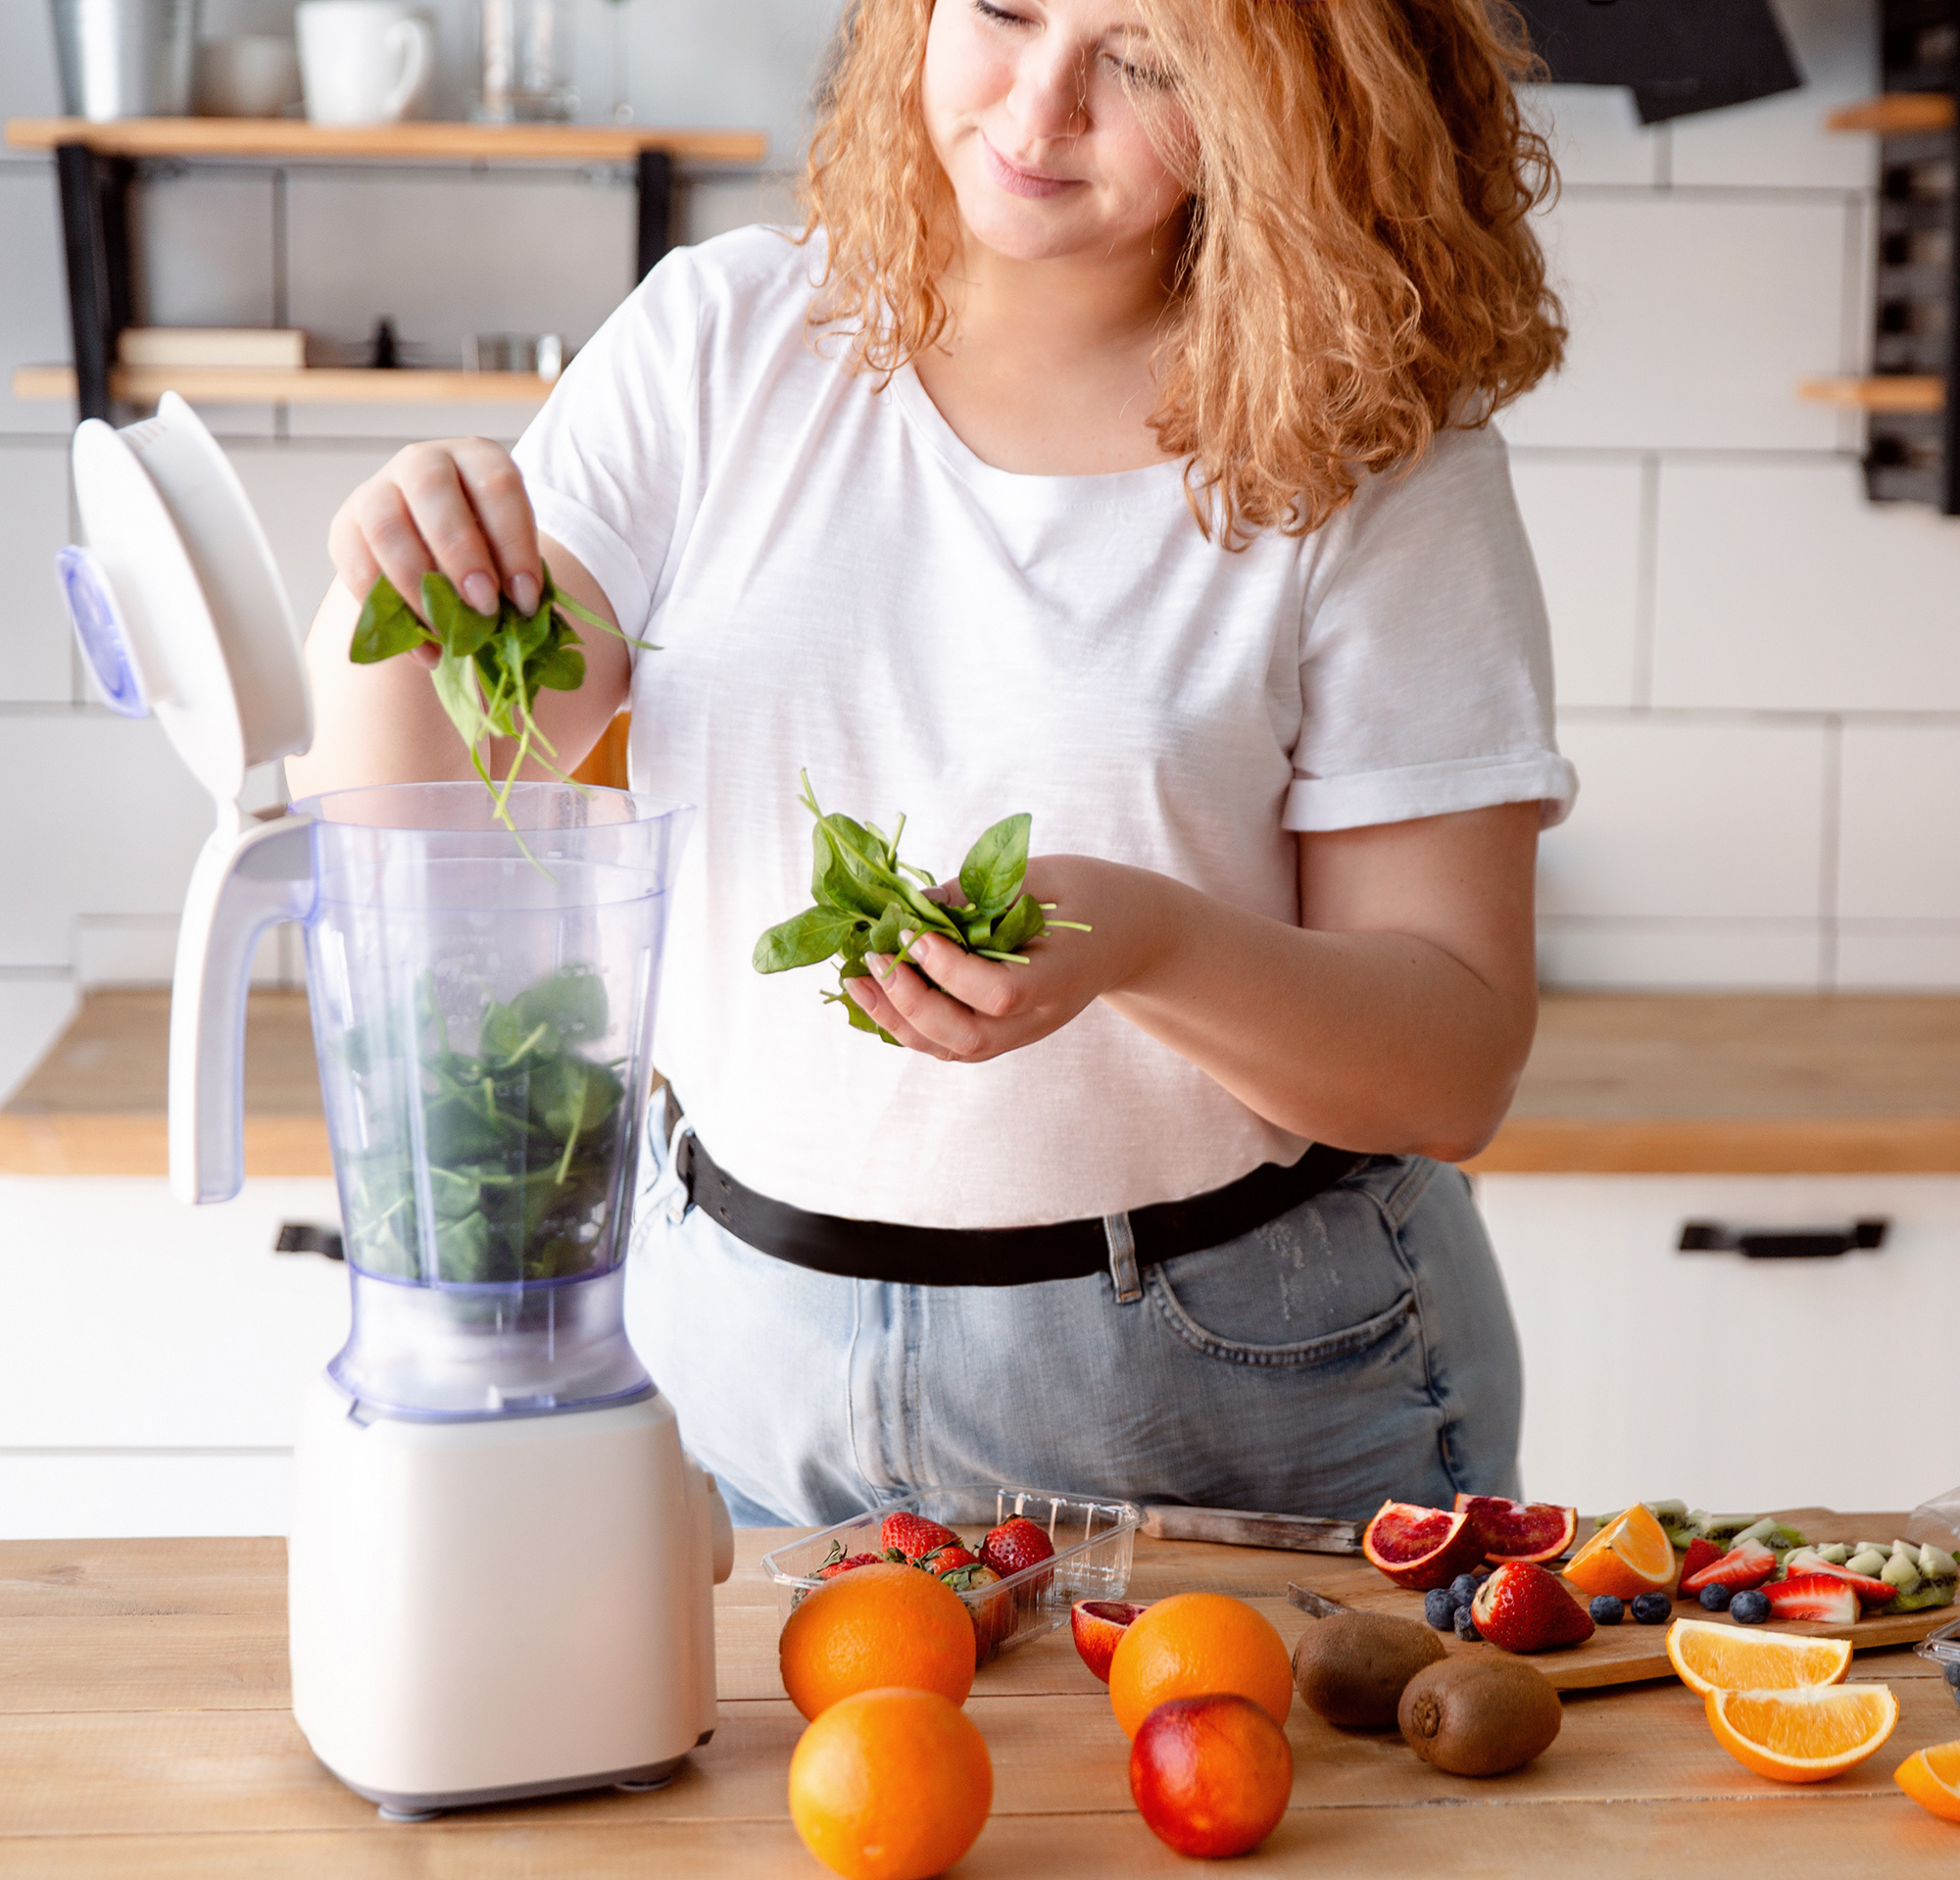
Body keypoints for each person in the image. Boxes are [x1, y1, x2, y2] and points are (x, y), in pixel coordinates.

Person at [288, 0, 1576, 1529]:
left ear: (1296, 107)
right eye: (1004, 11)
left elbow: (1453, 1068)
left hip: (1233, 1379)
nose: (1038, 112)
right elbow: (431, 793)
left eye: (1146, 61)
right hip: (739, 1357)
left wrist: (1143, 942)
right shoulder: (724, 342)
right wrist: (403, 590)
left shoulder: (1372, 455)